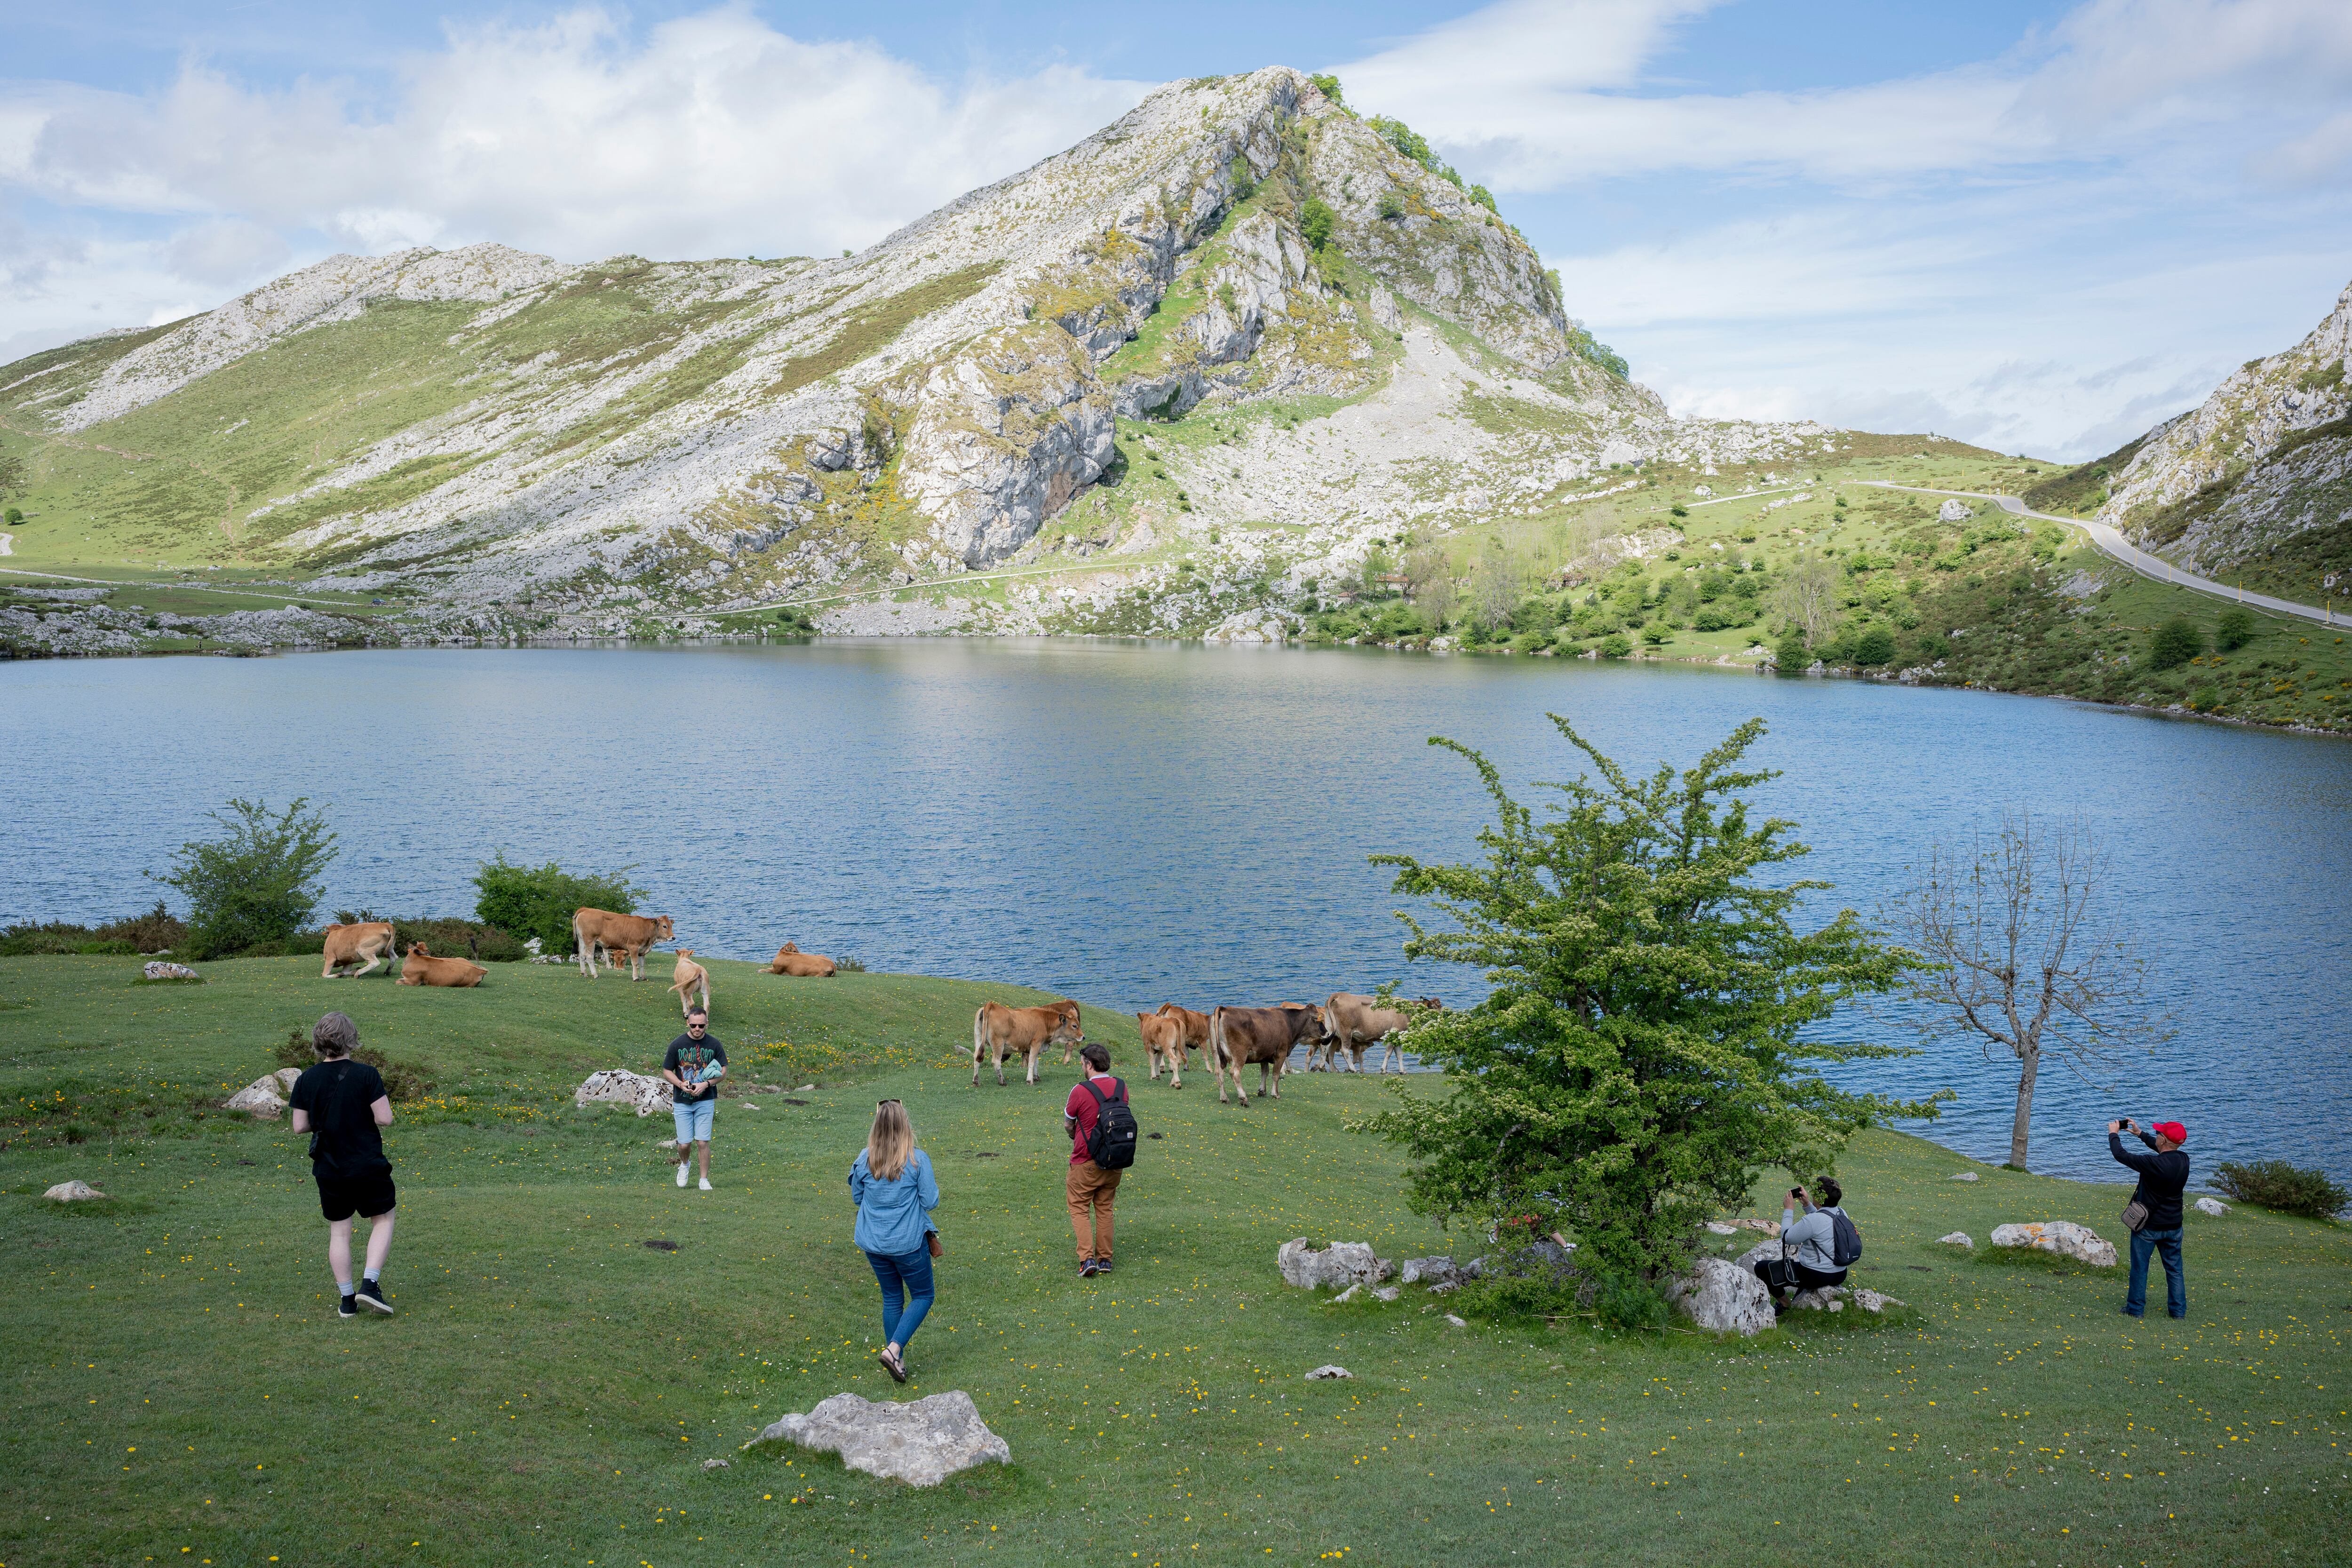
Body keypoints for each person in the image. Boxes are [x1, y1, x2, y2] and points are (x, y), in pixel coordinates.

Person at [287, 1011, 397, 1318]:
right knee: (384, 1218)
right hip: (366, 1164)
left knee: (340, 1231)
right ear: (351, 1039)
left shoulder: (306, 1079)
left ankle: (348, 1301)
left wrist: (329, 1118)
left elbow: (299, 1126)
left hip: (329, 1166)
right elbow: (385, 1118)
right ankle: (370, 1284)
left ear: (319, 1041)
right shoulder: (366, 1074)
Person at [850, 1098, 939, 1383]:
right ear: (905, 1126)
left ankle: (895, 1357)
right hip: (908, 1244)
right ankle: (894, 1350)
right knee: (924, 1295)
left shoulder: (864, 1158)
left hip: (874, 1244)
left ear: (875, 1126)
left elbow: (857, 1198)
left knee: (892, 1298)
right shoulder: (916, 1159)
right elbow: (931, 1200)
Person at [2108, 1116, 2190, 1320]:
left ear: (2163, 1140)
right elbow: (2164, 1151)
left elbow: (2121, 1155)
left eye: (2158, 1134)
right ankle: (2178, 1312)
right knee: (2174, 1269)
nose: (2156, 1137)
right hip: (2174, 1226)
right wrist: (2140, 1134)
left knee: (2140, 1268)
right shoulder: (2184, 1160)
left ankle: (2135, 1309)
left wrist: (2114, 1134)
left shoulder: (2152, 1163)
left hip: (2149, 1226)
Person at [1064, 1043, 1128, 1278]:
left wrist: (1076, 1137)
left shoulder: (1080, 1091)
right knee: (1105, 1208)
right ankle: (1105, 1260)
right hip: (1114, 1161)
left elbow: (1069, 1123)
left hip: (1085, 1161)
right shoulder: (1122, 1087)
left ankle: (1087, 1259)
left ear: (1089, 1064)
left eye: (1082, 1064)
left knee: (1079, 1208)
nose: (1082, 1067)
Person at [1751, 1176, 1850, 1312]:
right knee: (1803, 1265)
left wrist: (1789, 1210)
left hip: (1817, 1276)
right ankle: (1799, 1298)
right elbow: (1824, 1220)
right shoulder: (1842, 1213)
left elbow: (1787, 1237)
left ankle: (1786, 1305)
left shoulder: (1812, 1220)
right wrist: (1808, 1205)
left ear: (1819, 1198)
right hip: (1840, 1274)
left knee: (1762, 1268)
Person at [662, 1007, 726, 1191]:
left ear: (707, 1024)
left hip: (705, 1100)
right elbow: (667, 1070)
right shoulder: (677, 1044)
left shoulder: (715, 1044)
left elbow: (723, 1071)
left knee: (703, 1142)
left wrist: (706, 1084)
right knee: (684, 1144)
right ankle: (685, 1164)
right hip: (682, 1101)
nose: (697, 1029)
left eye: (701, 1026)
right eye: (693, 1025)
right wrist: (681, 1084)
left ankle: (703, 1180)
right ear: (688, 1023)